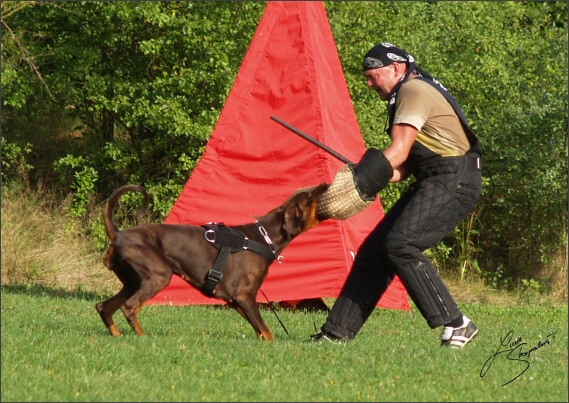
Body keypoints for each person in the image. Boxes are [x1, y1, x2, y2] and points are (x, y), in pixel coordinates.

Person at [311, 42, 483, 348]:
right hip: (439, 177)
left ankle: (457, 324)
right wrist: (365, 176)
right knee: (375, 252)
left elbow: (398, 151)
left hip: (455, 179)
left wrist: (358, 179)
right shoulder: (409, 90)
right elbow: (401, 169)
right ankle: (335, 334)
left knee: (401, 243)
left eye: (372, 75)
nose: (367, 82)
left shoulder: (411, 91)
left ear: (395, 68)